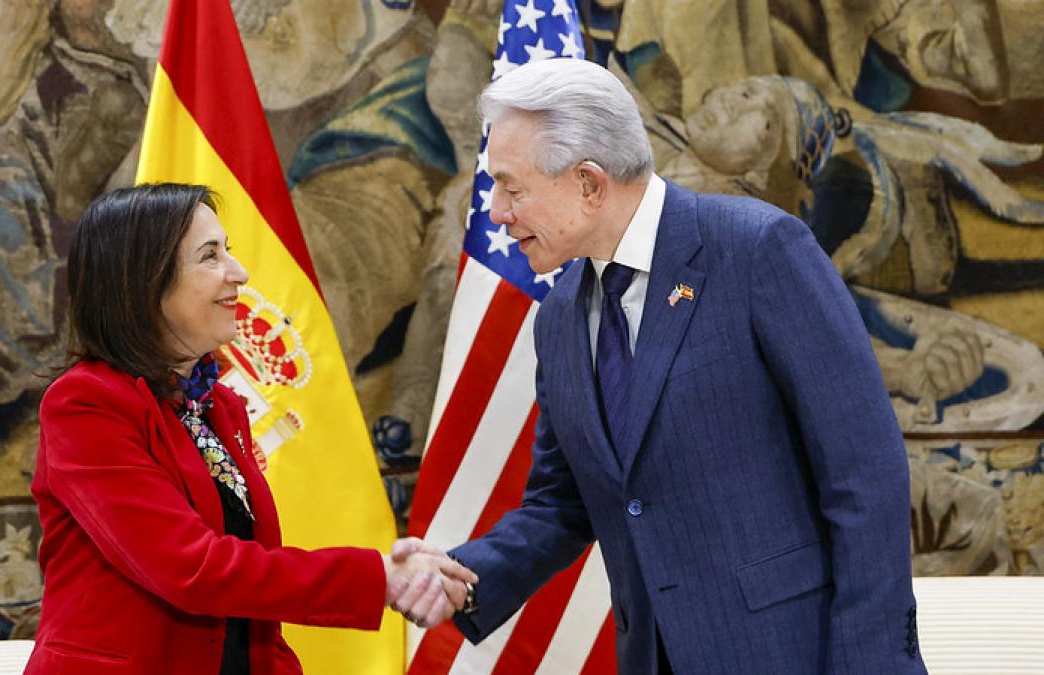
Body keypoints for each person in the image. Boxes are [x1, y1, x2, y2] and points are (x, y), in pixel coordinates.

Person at [394, 58, 928, 674]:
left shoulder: (756, 251)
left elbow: (865, 474)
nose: (496, 211)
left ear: (589, 184)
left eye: (512, 189)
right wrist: (463, 578)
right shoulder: (561, 316)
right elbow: (562, 505)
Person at [25, 183, 476, 675]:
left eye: (229, 251)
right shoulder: (84, 405)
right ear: (143, 283)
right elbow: (191, 569)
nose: (238, 272)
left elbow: (251, 605)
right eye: (210, 256)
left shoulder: (218, 405)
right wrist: (379, 578)